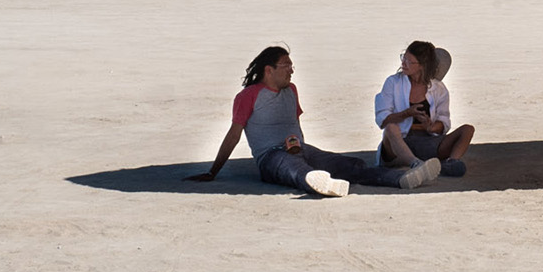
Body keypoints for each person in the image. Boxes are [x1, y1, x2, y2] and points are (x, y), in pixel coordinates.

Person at [188, 45, 440, 196]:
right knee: (293, 170)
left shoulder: (292, 90)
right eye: (286, 66)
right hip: (271, 157)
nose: (291, 70)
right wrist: (213, 171)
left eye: (291, 65)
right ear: (269, 70)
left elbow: (294, 125)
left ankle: (401, 179)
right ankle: (320, 183)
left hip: (300, 148)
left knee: (349, 164)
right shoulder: (248, 96)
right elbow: (234, 135)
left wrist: (300, 148)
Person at [376, 41, 473, 178]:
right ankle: (417, 164)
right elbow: (382, 119)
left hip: (428, 142)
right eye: (403, 58)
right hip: (400, 143)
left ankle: (451, 163)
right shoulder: (393, 83)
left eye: (409, 61)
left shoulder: (438, 88)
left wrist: (431, 127)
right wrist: (406, 113)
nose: (403, 63)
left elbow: (444, 121)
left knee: (467, 129)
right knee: (391, 128)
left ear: (422, 66)